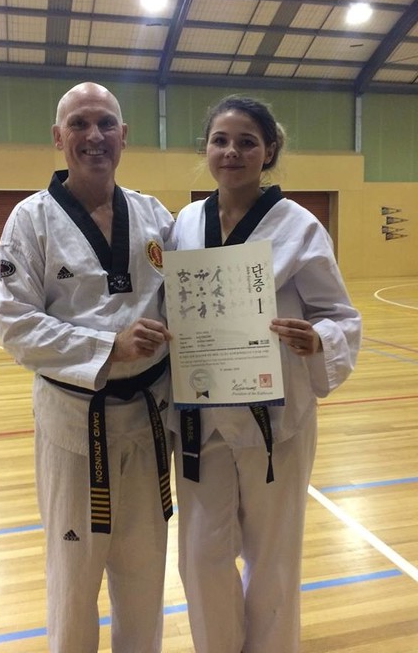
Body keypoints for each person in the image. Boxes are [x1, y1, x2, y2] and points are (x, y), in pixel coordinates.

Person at [168, 94, 361, 653]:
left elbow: (340, 316)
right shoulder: (185, 223)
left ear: (269, 150)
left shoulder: (300, 226)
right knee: (201, 556)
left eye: (247, 141)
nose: (232, 152)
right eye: (220, 140)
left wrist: (317, 338)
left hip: (276, 421)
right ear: (206, 148)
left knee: (273, 558)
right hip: (202, 420)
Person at [0, 82, 174, 653]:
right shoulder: (31, 220)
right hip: (75, 426)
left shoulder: (154, 215)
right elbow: (15, 325)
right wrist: (107, 346)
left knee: (144, 574)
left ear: (124, 136)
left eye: (105, 124)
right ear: (57, 137)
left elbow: (189, 304)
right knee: (73, 576)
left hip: (149, 421)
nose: (93, 136)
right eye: (79, 124)